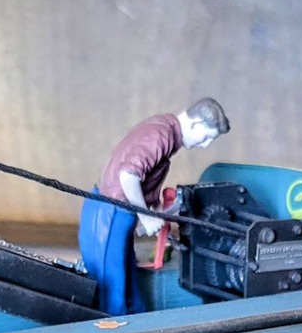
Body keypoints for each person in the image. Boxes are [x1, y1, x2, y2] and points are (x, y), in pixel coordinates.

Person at [78, 98, 230, 314]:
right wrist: (147, 217)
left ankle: (136, 325)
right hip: (109, 214)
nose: (205, 145)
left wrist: (157, 210)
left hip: (119, 214)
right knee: (111, 291)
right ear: (196, 124)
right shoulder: (161, 135)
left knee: (128, 284)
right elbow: (128, 175)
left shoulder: (165, 128)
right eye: (206, 137)